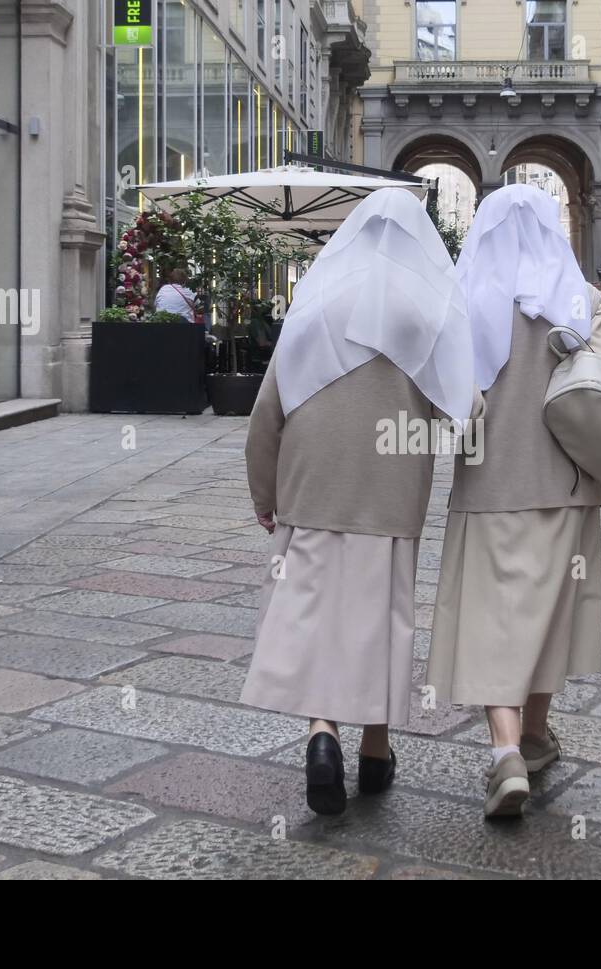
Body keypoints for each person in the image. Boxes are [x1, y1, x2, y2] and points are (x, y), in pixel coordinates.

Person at [240, 188, 479, 816]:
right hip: (390, 493)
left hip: (312, 485)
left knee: (313, 613)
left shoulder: (315, 303)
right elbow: (466, 409)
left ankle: (323, 734)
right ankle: (375, 753)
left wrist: (266, 493)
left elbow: (270, 410)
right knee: (380, 620)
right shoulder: (429, 308)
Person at [427, 184, 601, 819]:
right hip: (567, 487)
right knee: (549, 615)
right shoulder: (583, 301)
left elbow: (440, 403)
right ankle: (535, 734)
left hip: (488, 488)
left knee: (492, 616)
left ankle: (508, 750)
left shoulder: (459, 303)